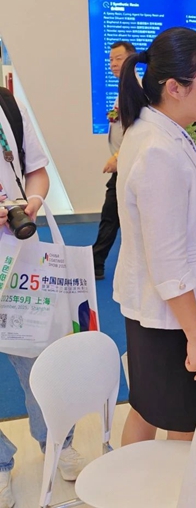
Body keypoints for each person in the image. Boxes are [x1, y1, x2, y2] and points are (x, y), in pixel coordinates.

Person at [114, 27, 196, 445]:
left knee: (146, 408)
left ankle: (131, 480)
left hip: (166, 313)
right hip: (177, 319)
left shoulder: (157, 132)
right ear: (175, 88)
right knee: (184, 425)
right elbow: (168, 262)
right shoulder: (158, 150)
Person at [0, 88, 85, 508]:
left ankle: (57, 440)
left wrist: (31, 201)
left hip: (20, 257)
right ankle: (0, 462)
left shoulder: (7, 105)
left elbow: (35, 170)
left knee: (38, 358)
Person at [92, 40, 136, 280]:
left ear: (132, 59)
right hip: (124, 165)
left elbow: (136, 130)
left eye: (119, 58)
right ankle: (96, 261)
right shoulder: (124, 88)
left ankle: (96, 261)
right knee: (113, 215)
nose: (113, 64)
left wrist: (118, 158)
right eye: (111, 60)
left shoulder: (135, 90)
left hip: (128, 166)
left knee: (111, 215)